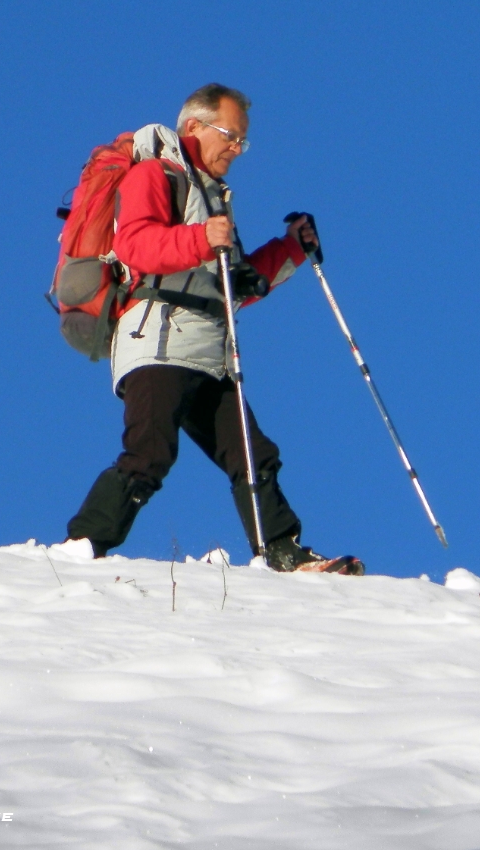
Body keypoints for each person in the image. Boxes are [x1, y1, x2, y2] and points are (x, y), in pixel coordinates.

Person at [66, 83, 363, 575]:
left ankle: (281, 550)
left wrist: (292, 248)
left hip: (209, 348)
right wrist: (203, 238)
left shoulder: (213, 198)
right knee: (149, 453)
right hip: (155, 339)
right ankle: (82, 545)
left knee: (253, 451)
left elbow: (230, 286)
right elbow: (138, 246)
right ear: (193, 127)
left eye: (242, 141)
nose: (236, 148)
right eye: (230, 135)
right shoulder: (153, 174)